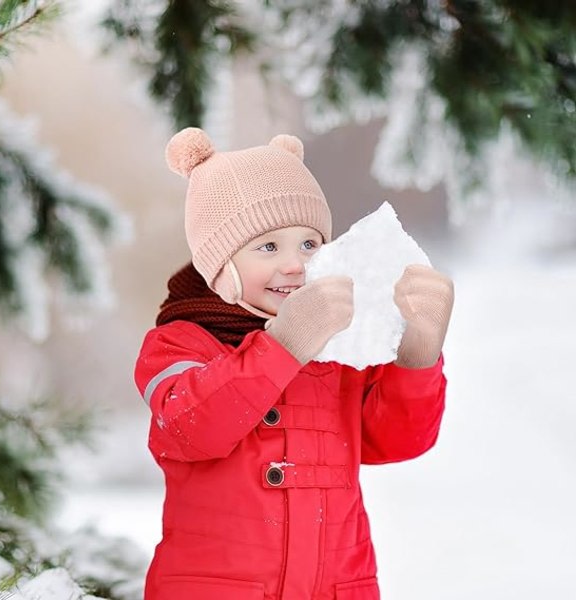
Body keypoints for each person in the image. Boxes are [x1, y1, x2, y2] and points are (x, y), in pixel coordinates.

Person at [134, 128, 454, 600]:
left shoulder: (339, 346)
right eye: (268, 247)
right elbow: (190, 426)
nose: (296, 265)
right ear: (219, 264)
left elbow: (396, 440)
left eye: (309, 244)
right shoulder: (178, 342)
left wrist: (419, 352)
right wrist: (283, 346)